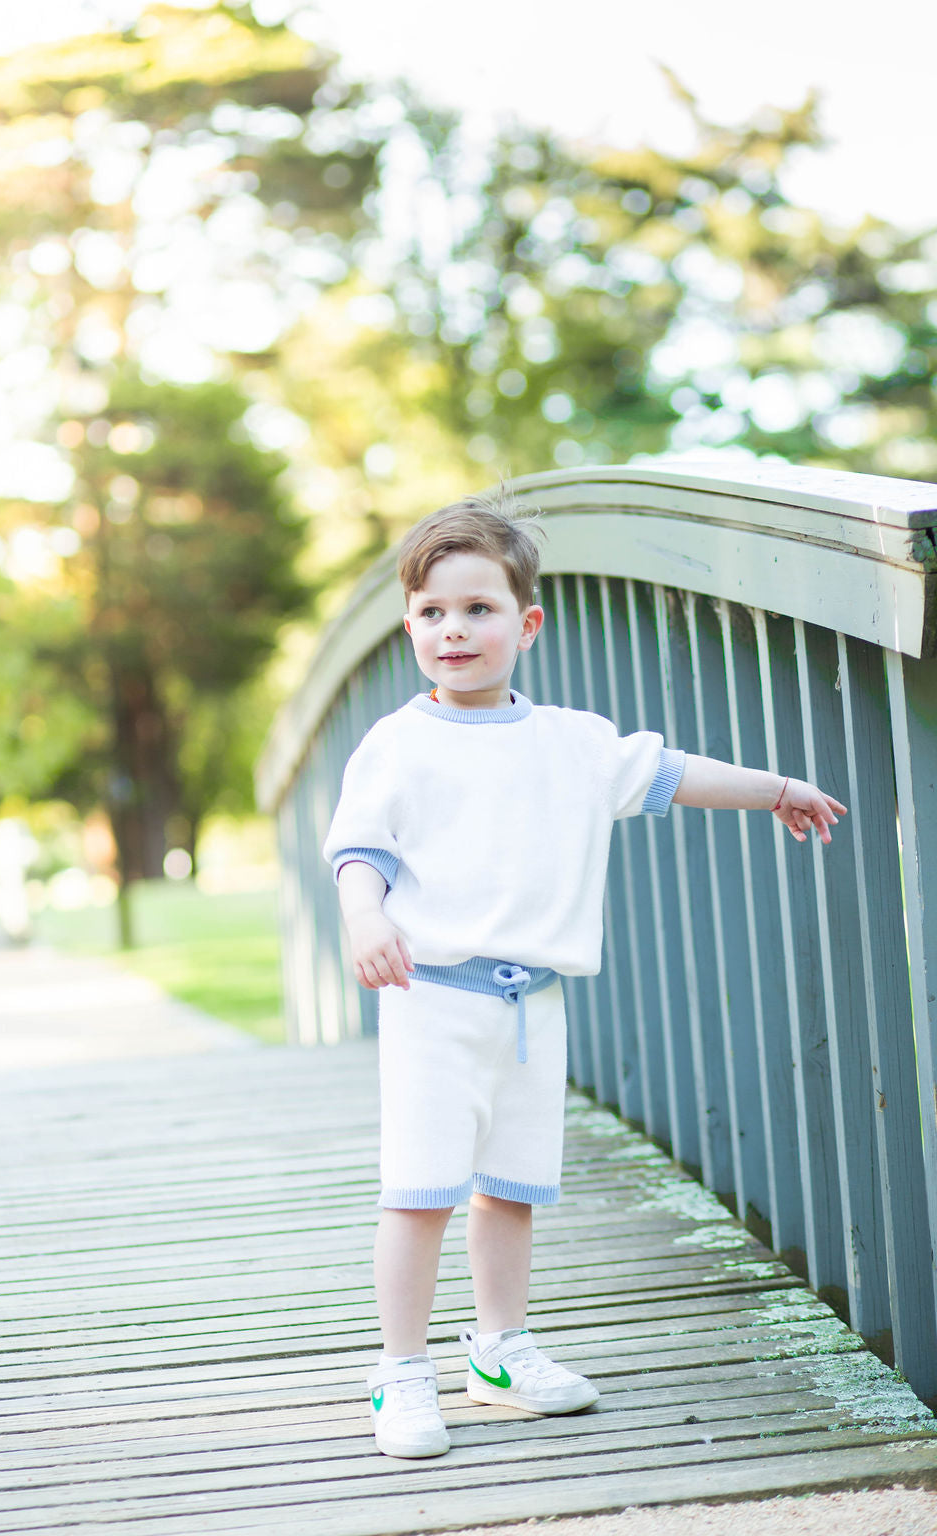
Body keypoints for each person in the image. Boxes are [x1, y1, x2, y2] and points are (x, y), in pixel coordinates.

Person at [322, 492, 846, 1461]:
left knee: (509, 1189)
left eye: (477, 610)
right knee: (419, 1191)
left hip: (534, 1007)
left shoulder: (570, 741)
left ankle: (499, 1350)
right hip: (431, 999)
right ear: (408, 627)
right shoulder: (398, 742)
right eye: (432, 613)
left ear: (524, 624)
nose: (453, 630)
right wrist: (364, 916)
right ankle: (399, 1371)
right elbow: (360, 849)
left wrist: (773, 789)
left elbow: (673, 773)